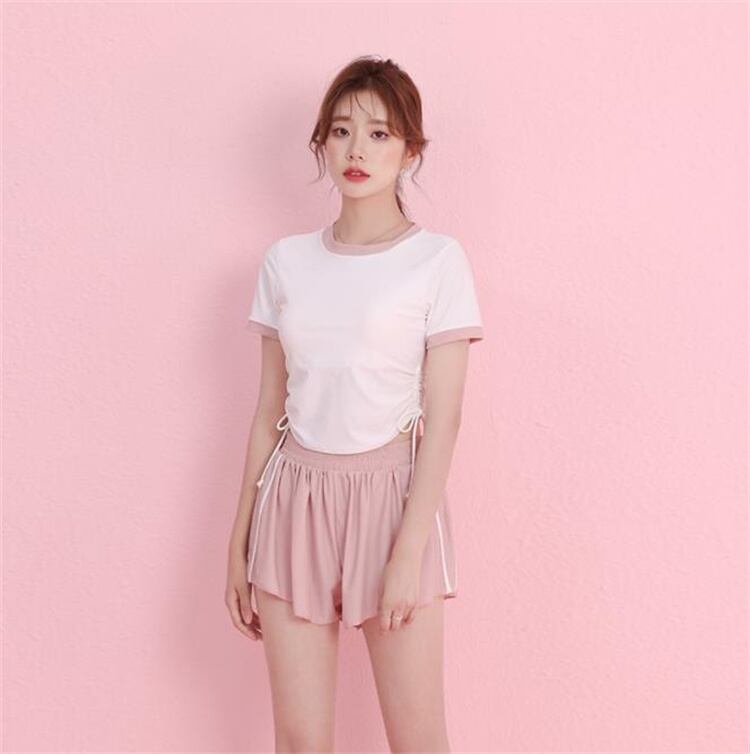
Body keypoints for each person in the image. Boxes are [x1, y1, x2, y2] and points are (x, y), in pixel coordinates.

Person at [225, 55, 484, 753]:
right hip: (293, 502)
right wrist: (238, 543)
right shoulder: (286, 261)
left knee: (418, 738)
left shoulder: (437, 261)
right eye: (341, 131)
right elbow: (268, 411)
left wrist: (406, 553)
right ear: (322, 143)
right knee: (300, 741)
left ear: (410, 150)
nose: (356, 150)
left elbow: (444, 422)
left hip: (392, 500)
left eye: (378, 133)